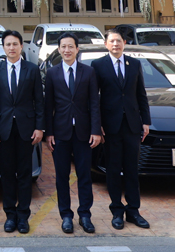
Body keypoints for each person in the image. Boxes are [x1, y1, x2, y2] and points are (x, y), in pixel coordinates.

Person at [91, 28, 151, 230]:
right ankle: (117, 210)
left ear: (124, 43)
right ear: (106, 44)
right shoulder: (98, 65)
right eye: (112, 41)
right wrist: (97, 124)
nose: (115, 44)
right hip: (110, 126)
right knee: (114, 170)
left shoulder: (134, 64)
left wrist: (146, 121)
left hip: (133, 125)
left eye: (118, 41)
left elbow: (140, 93)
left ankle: (133, 210)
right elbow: (94, 98)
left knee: (132, 170)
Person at [43, 33, 102, 234]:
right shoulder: (52, 73)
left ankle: (85, 215)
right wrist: (48, 133)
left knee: (84, 175)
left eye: (71, 46)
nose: (67, 50)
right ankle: (66, 215)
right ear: (59, 49)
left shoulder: (89, 72)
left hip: (84, 133)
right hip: (60, 133)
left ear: (77, 49)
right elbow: (48, 105)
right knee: (61, 177)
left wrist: (96, 130)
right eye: (63, 47)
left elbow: (94, 103)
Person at [0, 30, 44, 234]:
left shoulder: (32, 69)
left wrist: (40, 127)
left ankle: (23, 216)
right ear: (3, 47)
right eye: (8, 44)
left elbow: (39, 100)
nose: (11, 48)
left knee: (25, 174)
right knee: (7, 174)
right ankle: (10, 215)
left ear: (21, 46)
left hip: (27, 130)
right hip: (3, 130)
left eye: (15, 44)